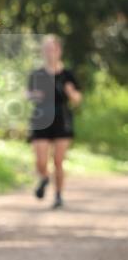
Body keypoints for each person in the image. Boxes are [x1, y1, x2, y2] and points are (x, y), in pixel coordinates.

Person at [27, 35, 82, 209]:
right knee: (41, 161)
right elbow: (27, 94)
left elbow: (77, 99)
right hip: (41, 119)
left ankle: (58, 195)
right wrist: (34, 95)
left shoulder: (68, 74)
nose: (50, 52)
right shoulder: (37, 73)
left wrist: (71, 92)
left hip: (62, 120)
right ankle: (44, 177)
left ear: (59, 51)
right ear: (43, 52)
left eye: (53, 49)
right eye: (47, 49)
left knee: (58, 161)